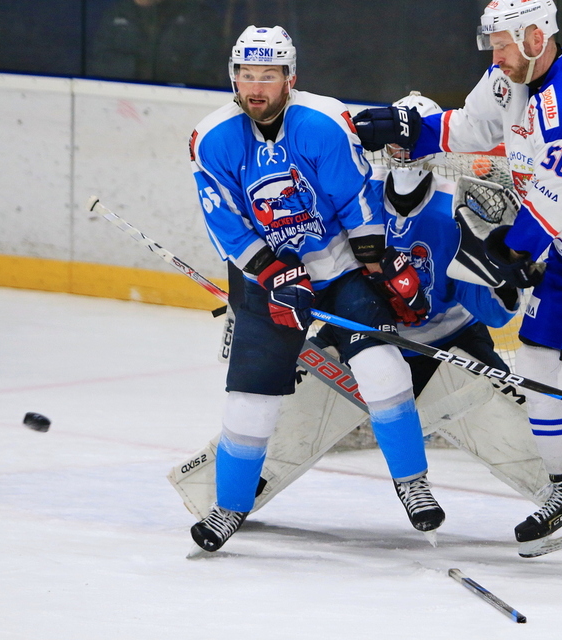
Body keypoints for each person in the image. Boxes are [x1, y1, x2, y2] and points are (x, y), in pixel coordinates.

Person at [353, 0, 562, 579]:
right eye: (493, 44)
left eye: (504, 43)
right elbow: (467, 127)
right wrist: (410, 130)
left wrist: (508, 254)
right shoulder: (508, 78)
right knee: (535, 365)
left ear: (537, 36)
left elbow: (549, 206)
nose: (496, 55)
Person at [187, 25, 443, 553]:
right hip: (266, 280)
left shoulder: (324, 122)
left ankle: (413, 483)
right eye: (247, 75)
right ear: (233, 78)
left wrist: (376, 266)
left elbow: (356, 203)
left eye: (268, 76)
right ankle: (229, 506)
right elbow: (226, 224)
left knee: (382, 366)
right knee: (249, 398)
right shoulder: (211, 138)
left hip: (341, 269)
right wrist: (273, 272)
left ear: (290, 78)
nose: (256, 87)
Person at [314, 92, 520, 396]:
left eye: (415, 139)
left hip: (450, 337)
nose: (405, 150)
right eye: (397, 139)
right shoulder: (359, 193)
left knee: (514, 413)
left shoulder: (459, 208)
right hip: (368, 330)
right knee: (291, 387)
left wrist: (502, 273)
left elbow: (495, 313)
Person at [88, 0, 227, 87]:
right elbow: (98, 63)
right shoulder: (116, 13)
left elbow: (208, 71)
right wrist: (138, 67)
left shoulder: (198, 16)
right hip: (122, 102)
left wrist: (164, 72)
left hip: (180, 102)